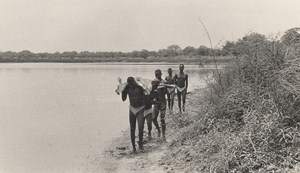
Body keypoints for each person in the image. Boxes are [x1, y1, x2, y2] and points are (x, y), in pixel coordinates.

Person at [122, 77, 145, 153]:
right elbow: (124, 99)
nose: (131, 85)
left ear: (134, 82)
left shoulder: (139, 87)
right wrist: (122, 91)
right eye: (129, 84)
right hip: (132, 108)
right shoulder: (127, 88)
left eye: (132, 83)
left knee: (140, 127)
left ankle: (141, 145)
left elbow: (145, 96)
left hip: (140, 108)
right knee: (132, 128)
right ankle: (133, 147)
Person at [152, 69, 167, 139]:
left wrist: (164, 87)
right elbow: (151, 92)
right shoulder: (153, 82)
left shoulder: (164, 82)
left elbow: (165, 93)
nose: (157, 76)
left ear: (161, 74)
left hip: (163, 101)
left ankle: (163, 134)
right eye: (156, 75)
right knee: (154, 118)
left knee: (162, 118)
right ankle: (158, 130)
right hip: (156, 102)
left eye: (158, 74)